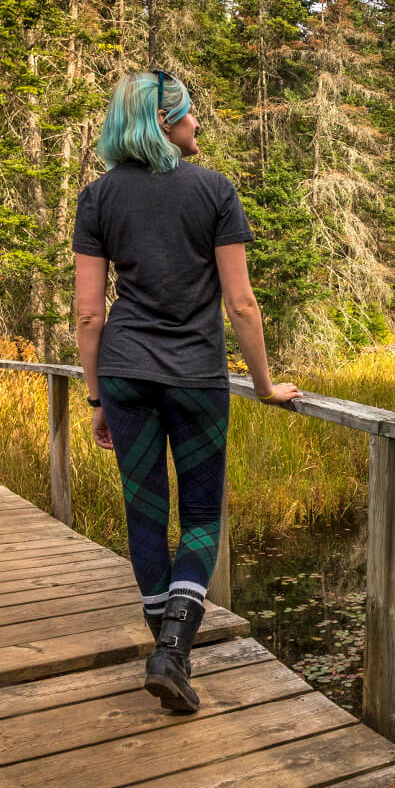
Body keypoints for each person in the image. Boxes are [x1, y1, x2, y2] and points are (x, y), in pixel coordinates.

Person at [72, 70, 301, 713]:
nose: (198, 124)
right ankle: (173, 650)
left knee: (145, 513)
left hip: (124, 375)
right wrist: (263, 384)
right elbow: (242, 303)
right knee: (201, 516)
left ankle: (167, 652)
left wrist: (97, 398)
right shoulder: (214, 191)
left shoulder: (97, 199)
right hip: (197, 378)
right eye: (190, 114)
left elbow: (90, 315)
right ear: (165, 123)